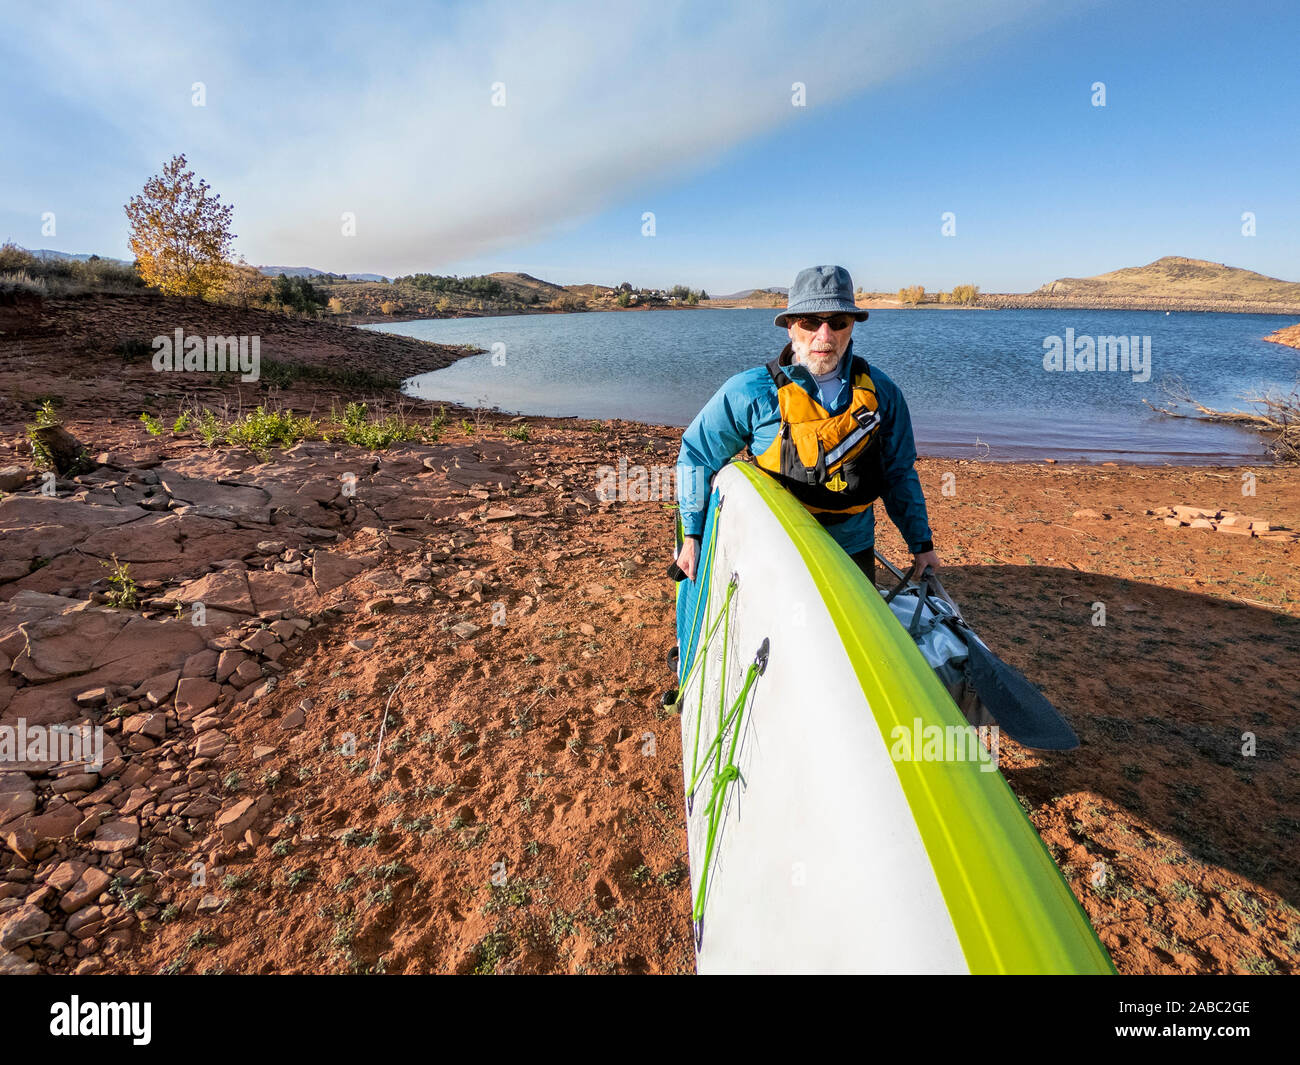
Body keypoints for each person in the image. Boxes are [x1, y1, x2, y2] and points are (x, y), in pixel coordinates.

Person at [674, 264, 939, 587]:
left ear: (852, 326)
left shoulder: (882, 392)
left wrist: (921, 544)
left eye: (838, 322)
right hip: (778, 546)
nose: (824, 336)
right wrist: (693, 535)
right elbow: (698, 456)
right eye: (810, 322)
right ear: (789, 327)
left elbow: (899, 472)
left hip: (852, 546)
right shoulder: (751, 391)